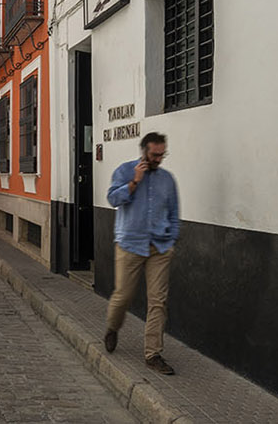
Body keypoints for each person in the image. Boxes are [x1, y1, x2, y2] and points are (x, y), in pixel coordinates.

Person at [103, 132, 179, 376]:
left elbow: (174, 212)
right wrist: (135, 181)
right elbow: (112, 199)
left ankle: (153, 354)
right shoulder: (124, 171)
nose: (159, 159)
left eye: (162, 154)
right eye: (155, 154)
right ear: (144, 151)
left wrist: (171, 238)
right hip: (130, 245)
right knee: (122, 296)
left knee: (158, 301)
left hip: (160, 247)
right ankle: (113, 328)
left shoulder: (168, 179)